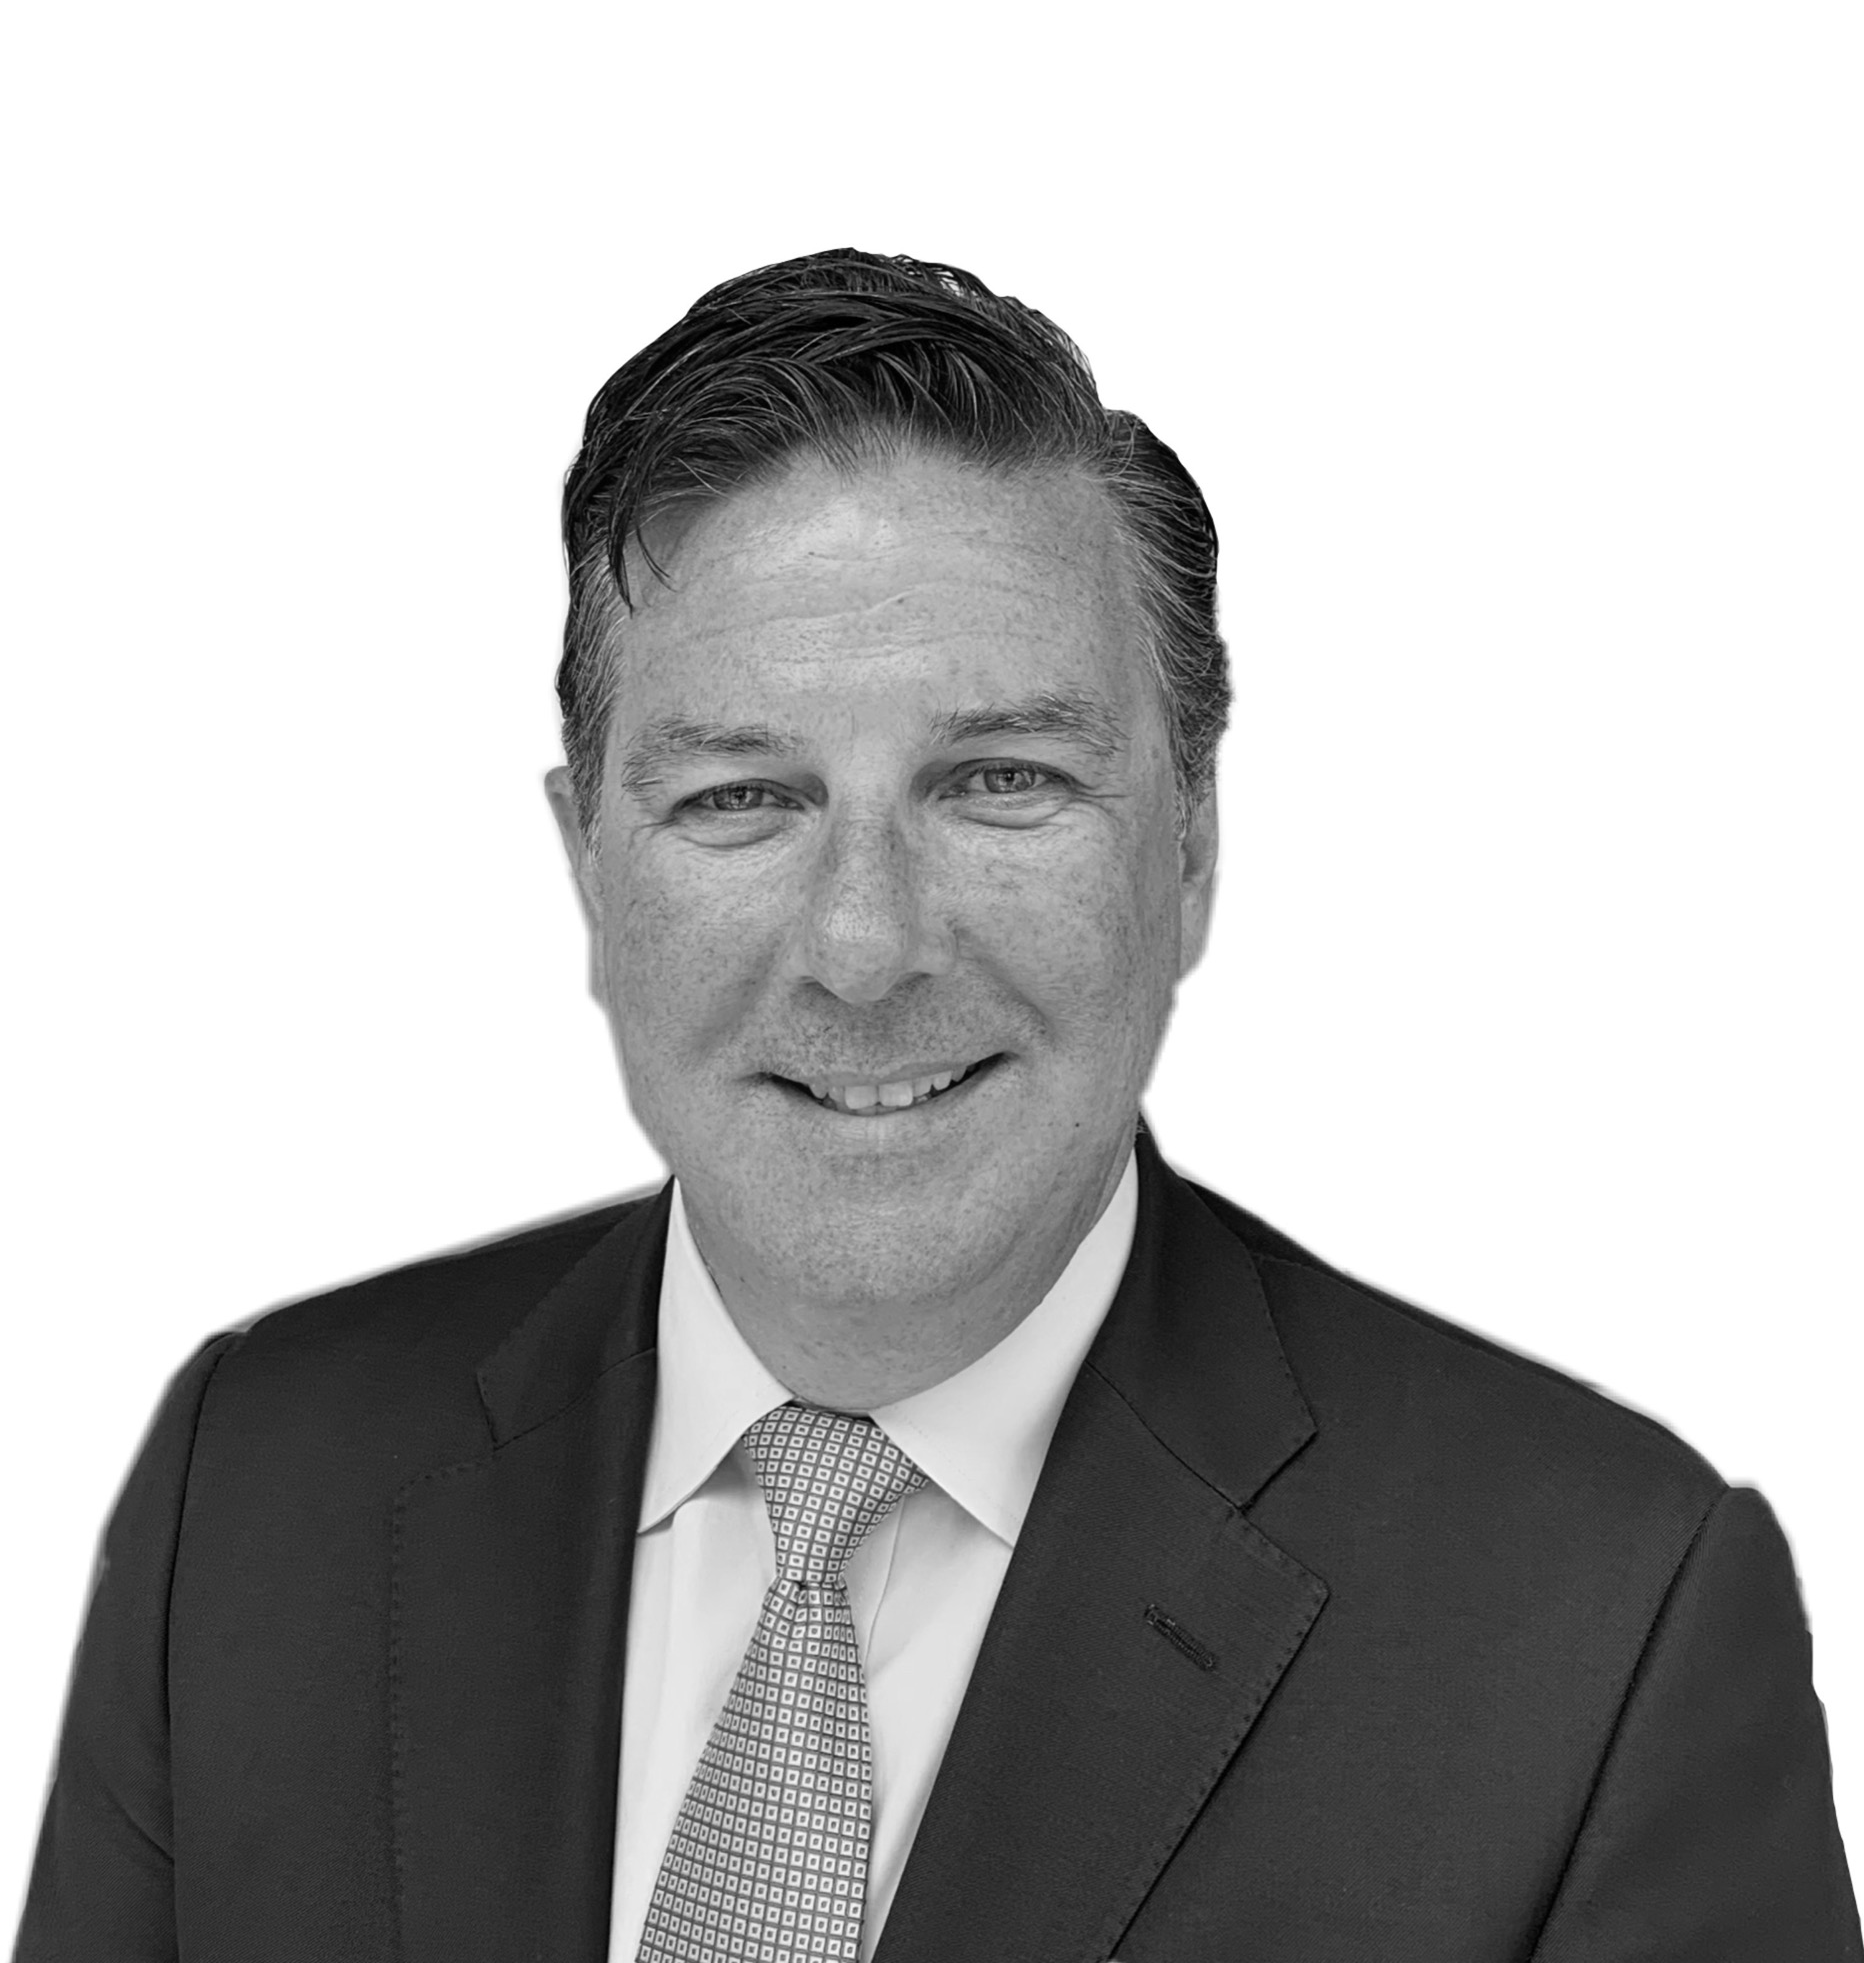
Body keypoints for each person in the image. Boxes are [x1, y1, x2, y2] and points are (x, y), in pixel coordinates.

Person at [14, 249, 1859, 1963]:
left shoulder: (1608, 1630)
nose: (865, 945)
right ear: (589, 866)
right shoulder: (251, 1490)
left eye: (999, 779)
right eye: (740, 798)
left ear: (1190, 848)